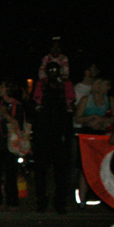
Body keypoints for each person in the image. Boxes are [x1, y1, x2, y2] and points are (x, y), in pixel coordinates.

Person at [32, 62, 76, 214]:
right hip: (44, 133)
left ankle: (60, 202)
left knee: (61, 172)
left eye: (55, 70)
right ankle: (41, 201)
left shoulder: (65, 85)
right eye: (49, 70)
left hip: (60, 133)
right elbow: (36, 105)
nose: (52, 72)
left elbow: (70, 105)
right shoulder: (41, 85)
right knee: (41, 171)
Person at [75, 78, 114, 207]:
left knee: (101, 167)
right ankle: (82, 199)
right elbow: (77, 117)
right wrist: (92, 118)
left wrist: (104, 121)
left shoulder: (109, 100)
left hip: (102, 135)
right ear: (98, 85)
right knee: (85, 168)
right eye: (106, 84)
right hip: (87, 135)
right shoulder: (86, 99)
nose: (108, 87)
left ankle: (102, 197)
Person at [0, 80, 25, 209]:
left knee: (11, 175)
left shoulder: (17, 105)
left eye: (2, 86)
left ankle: (12, 201)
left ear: (8, 89)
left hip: (11, 144)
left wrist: (6, 115)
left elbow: (19, 125)